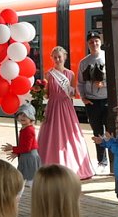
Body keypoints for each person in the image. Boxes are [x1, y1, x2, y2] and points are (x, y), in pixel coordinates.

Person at [37, 46, 94, 180]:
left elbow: (73, 94)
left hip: (66, 107)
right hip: (53, 107)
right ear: (52, 58)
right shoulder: (48, 74)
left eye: (59, 57)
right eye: (55, 57)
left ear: (65, 57)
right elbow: (47, 95)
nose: (57, 59)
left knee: (71, 136)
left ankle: (73, 166)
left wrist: (73, 92)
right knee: (52, 134)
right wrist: (39, 91)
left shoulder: (71, 74)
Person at [77, 30, 108, 171]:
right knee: (97, 132)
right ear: (87, 44)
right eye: (91, 41)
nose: (94, 43)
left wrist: (104, 84)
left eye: (96, 41)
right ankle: (102, 161)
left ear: (100, 42)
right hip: (92, 102)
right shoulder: (84, 62)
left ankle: (114, 160)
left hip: (108, 101)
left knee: (111, 132)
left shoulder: (109, 58)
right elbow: (80, 83)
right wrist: (83, 97)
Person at [2, 103, 41, 185]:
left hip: (29, 158)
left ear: (31, 118)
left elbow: (27, 148)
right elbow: (24, 146)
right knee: (23, 179)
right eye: (21, 114)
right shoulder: (25, 128)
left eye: (26, 115)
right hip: (26, 157)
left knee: (28, 180)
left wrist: (13, 148)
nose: (22, 117)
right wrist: (17, 152)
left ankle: (33, 195)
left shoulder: (29, 130)